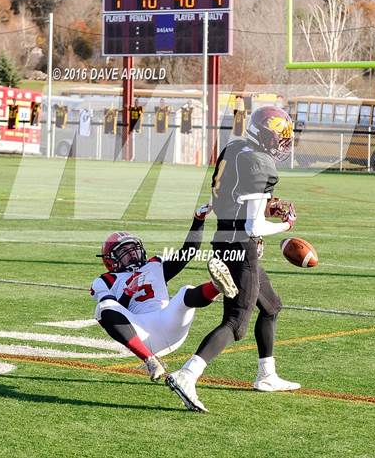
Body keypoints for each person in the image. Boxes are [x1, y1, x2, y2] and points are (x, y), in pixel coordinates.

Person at [166, 106, 300, 412]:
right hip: (242, 246)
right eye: (280, 136)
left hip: (223, 238)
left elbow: (231, 198)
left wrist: (268, 204)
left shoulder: (234, 148)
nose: (282, 143)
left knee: (271, 306)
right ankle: (187, 374)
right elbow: (254, 226)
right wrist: (287, 224)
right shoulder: (260, 163)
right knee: (236, 322)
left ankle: (266, 375)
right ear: (266, 135)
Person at [90, 204, 238, 382]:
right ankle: (150, 361)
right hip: (141, 332)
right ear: (110, 260)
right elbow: (116, 314)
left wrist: (198, 221)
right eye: (125, 253)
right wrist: (128, 293)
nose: (133, 255)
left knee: (185, 292)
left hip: (169, 323)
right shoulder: (105, 280)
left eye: (134, 249)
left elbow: (187, 253)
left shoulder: (155, 264)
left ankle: (216, 287)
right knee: (103, 307)